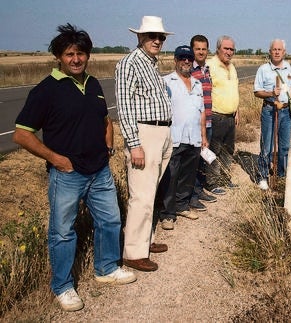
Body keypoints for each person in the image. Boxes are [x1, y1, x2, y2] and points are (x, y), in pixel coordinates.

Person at [13, 23, 136, 312]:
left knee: (110, 221)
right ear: (58, 57)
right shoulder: (46, 90)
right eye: (69, 54)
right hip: (67, 174)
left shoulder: (92, 84)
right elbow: (22, 134)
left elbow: (105, 120)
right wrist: (56, 159)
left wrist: (108, 148)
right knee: (63, 232)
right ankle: (63, 287)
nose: (76, 59)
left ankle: (106, 269)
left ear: (88, 56)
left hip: (99, 170)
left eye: (81, 53)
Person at [115, 16, 173, 272]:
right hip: (145, 133)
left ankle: (144, 240)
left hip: (161, 132)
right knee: (141, 194)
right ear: (139, 37)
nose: (157, 40)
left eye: (160, 37)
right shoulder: (129, 63)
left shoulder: (151, 64)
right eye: (152, 36)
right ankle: (133, 252)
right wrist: (134, 143)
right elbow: (125, 107)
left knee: (150, 190)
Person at [157, 45, 208, 230]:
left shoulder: (197, 84)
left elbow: (201, 111)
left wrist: (203, 135)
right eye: (182, 58)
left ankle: (182, 206)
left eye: (189, 58)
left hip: (193, 138)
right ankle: (167, 214)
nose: (186, 61)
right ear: (175, 60)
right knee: (170, 177)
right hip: (174, 138)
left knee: (188, 176)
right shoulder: (166, 82)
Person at [253, 39, 291, 190]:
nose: (277, 52)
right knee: (267, 146)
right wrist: (271, 93)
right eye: (274, 49)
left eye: (280, 50)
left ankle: (282, 174)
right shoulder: (263, 69)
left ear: (284, 52)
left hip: (285, 111)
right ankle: (263, 176)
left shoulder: (288, 67)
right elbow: (257, 91)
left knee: (284, 147)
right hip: (270, 110)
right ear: (270, 51)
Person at [189, 34, 223, 210]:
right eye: (197, 49)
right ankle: (192, 196)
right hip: (196, 124)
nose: (201, 52)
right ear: (192, 50)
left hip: (208, 121)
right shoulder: (189, 70)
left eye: (204, 49)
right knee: (194, 160)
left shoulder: (207, 70)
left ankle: (200, 190)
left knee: (203, 159)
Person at [205, 35, 240, 192]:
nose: (229, 52)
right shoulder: (210, 66)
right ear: (218, 48)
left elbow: (234, 90)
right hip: (216, 116)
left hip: (230, 117)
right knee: (214, 151)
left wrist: (236, 111)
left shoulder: (232, 67)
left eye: (232, 49)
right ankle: (213, 183)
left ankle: (225, 178)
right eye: (226, 48)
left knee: (228, 150)